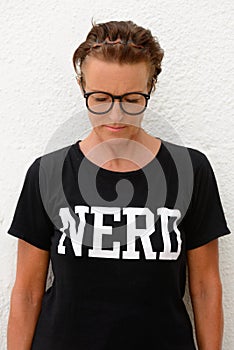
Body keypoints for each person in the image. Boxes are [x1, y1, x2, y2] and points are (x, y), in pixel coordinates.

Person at [7, 20, 231, 350]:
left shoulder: (190, 170)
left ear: (150, 87)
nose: (116, 115)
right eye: (100, 98)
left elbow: (205, 286)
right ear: (82, 86)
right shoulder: (48, 172)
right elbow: (27, 291)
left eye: (132, 98)